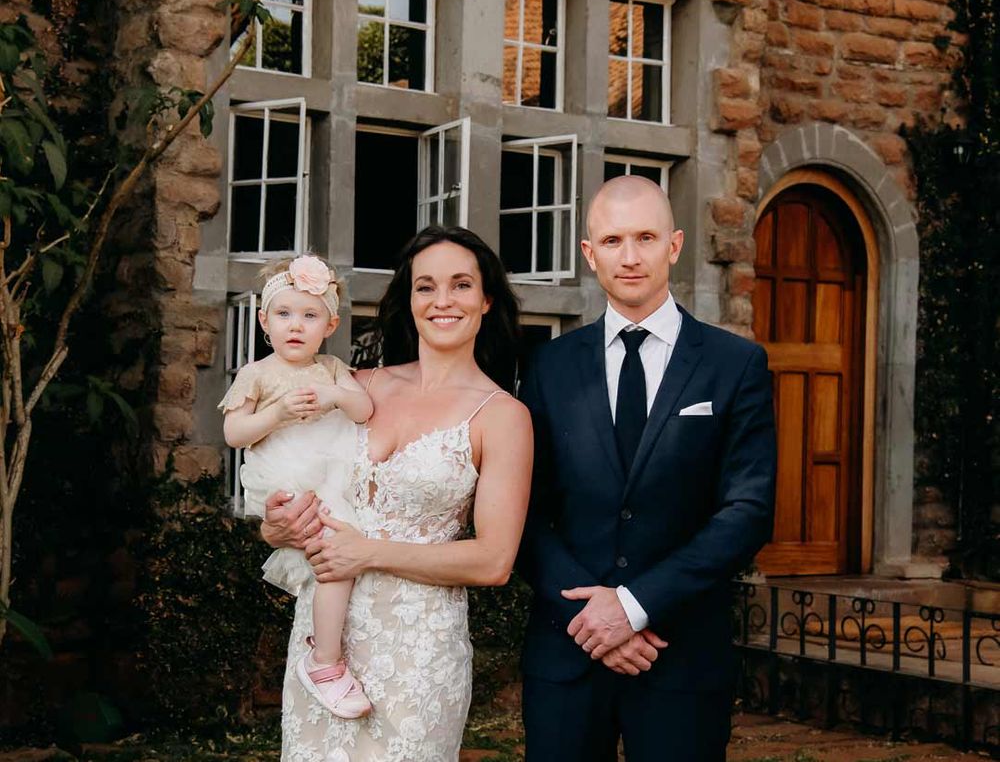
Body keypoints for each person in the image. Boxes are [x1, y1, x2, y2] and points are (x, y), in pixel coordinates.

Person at [518, 176, 777, 762]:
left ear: (674, 245)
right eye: (612, 241)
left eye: (645, 238)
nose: (630, 257)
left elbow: (748, 511)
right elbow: (525, 512)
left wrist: (634, 606)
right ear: (590, 254)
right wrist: (592, 618)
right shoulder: (549, 366)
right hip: (568, 655)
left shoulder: (735, 364)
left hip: (680, 654)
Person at [260, 226, 533, 762]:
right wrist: (278, 526)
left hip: (417, 651)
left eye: (460, 285)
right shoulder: (357, 385)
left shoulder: (502, 416)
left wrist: (367, 552)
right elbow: (298, 486)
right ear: (409, 300)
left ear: (486, 300)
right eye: (425, 286)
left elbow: (494, 561)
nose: (442, 300)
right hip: (323, 642)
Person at [220, 254, 375, 719]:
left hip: (333, 474)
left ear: (330, 326)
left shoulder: (331, 367)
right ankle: (324, 660)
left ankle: (336, 650)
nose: (296, 325)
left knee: (347, 555)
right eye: (284, 314)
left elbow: (364, 410)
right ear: (264, 321)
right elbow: (234, 433)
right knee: (335, 559)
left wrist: (336, 395)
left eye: (310, 316)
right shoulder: (257, 373)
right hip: (289, 478)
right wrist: (277, 413)